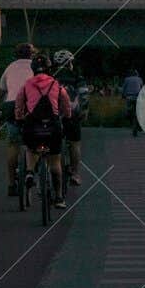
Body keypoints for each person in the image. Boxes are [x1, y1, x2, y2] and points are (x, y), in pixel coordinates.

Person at [15, 52, 73, 208]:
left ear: (33, 69)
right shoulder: (56, 84)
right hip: (53, 126)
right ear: (49, 69)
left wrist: (20, 118)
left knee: (30, 148)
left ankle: (29, 172)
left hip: (33, 126)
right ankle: (59, 198)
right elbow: (66, 106)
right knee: (55, 161)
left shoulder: (27, 85)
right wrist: (66, 118)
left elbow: (19, 106)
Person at [0, 43, 34, 197]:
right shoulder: (36, 67)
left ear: (15, 55)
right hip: (30, 105)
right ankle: (31, 170)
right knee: (33, 139)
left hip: (11, 106)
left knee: (12, 144)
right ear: (32, 55)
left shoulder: (9, 68)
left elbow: (1, 93)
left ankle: (11, 184)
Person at [54, 49, 89, 186]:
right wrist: (84, 111)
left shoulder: (50, 76)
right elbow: (84, 95)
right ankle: (75, 173)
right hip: (72, 113)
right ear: (70, 63)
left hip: (54, 114)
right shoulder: (77, 76)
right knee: (74, 143)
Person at [122, 67, 143, 134]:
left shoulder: (126, 79)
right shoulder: (139, 79)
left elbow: (123, 89)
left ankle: (128, 117)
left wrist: (123, 95)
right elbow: (142, 88)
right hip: (138, 97)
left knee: (128, 110)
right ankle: (139, 124)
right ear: (137, 74)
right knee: (139, 111)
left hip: (129, 97)